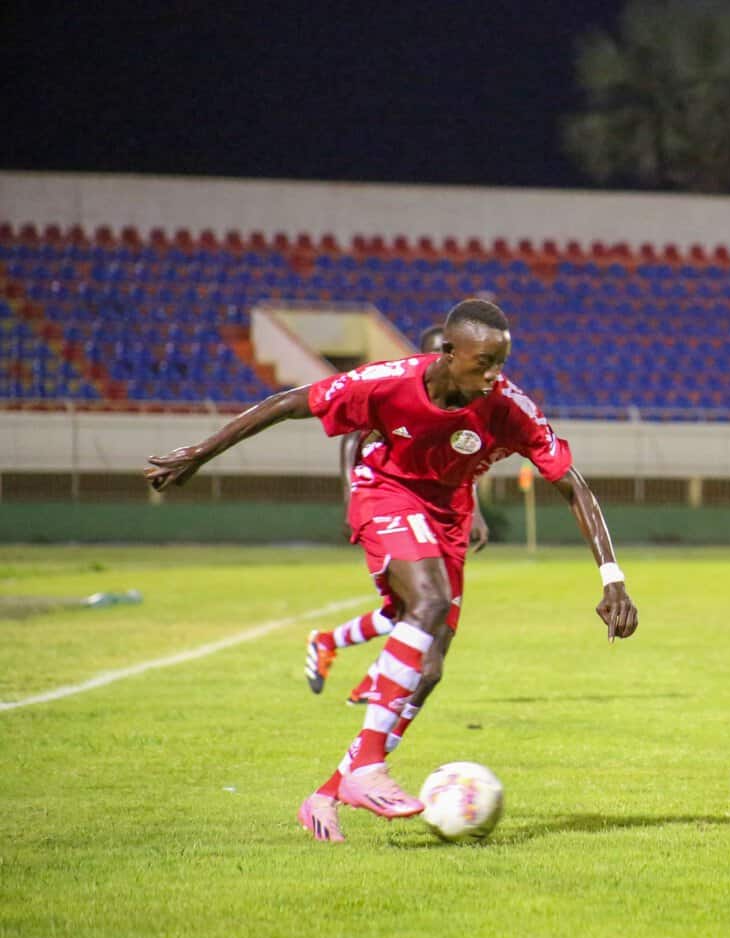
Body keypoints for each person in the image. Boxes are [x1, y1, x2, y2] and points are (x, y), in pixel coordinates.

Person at [146, 298, 638, 843]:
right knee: (425, 603)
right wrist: (199, 453)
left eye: (502, 362)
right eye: (484, 363)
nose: (496, 375)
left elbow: (574, 485)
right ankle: (367, 768)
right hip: (385, 492)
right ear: (449, 353)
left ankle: (326, 795)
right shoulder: (387, 383)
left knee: (427, 672)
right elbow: (289, 403)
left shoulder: (509, 406)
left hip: (447, 515)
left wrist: (611, 578)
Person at [302, 324, 490, 706]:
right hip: (395, 508)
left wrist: (477, 513)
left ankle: (335, 646)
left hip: (444, 516)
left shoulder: (460, 401)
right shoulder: (398, 390)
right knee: (420, 606)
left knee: (418, 607)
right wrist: (350, 498)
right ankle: (374, 684)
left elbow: (458, 465)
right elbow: (351, 438)